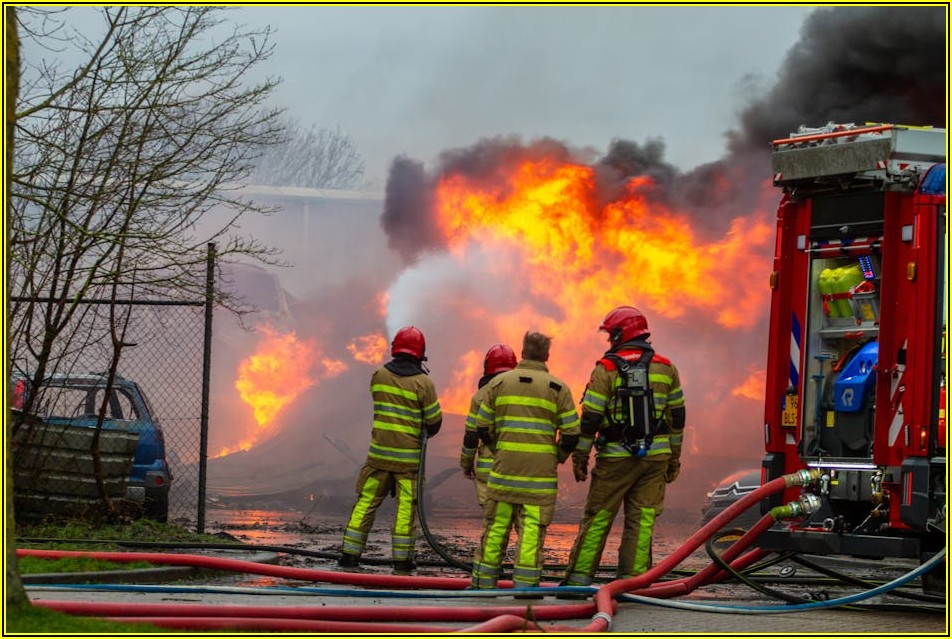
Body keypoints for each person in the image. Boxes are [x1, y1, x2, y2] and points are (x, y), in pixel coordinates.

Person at [561, 306, 686, 590]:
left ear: (621, 333)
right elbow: (677, 417)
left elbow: (591, 418)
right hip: (656, 459)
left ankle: (578, 582)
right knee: (641, 522)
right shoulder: (667, 368)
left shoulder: (606, 369)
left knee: (599, 517)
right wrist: (673, 459)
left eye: (611, 334)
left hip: (615, 460)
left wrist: (580, 456)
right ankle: (633, 584)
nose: (609, 341)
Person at [470, 331, 581, 595]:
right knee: (531, 532)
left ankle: (483, 585)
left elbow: (482, 425)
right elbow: (572, 434)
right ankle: (525, 589)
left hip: (503, 475)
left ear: (522, 352)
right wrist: (557, 457)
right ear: (547, 355)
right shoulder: (558, 389)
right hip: (539, 481)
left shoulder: (499, 384)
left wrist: (499, 450)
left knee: (496, 528)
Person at [338, 326, 442, 575]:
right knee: (406, 509)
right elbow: (435, 423)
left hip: (379, 459)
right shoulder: (423, 383)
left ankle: (350, 555)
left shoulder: (378, 375)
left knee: (366, 503)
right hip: (407, 464)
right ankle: (402, 561)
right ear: (420, 353)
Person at [459, 344, 518, 508]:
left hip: (489, 470)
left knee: (494, 523)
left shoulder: (480, 396)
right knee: (523, 522)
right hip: (519, 470)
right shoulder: (523, 392)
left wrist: (467, 465)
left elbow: (471, 436)